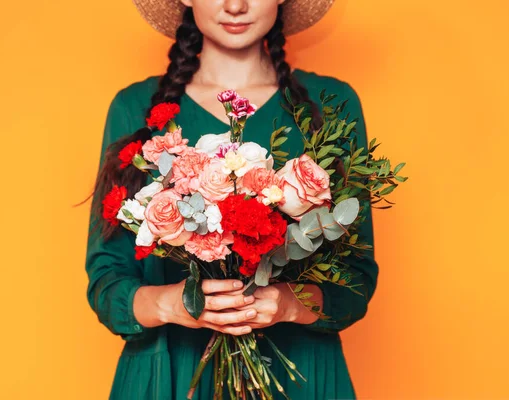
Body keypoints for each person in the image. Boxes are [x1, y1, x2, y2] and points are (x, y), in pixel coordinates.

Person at [84, 1, 379, 398]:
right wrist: (176, 304)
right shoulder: (134, 107)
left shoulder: (332, 103)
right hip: (169, 375)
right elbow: (107, 279)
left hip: (298, 376)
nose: (235, 5)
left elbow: (356, 277)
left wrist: (291, 304)